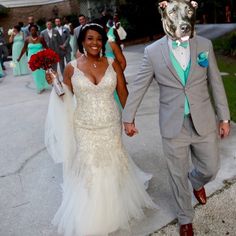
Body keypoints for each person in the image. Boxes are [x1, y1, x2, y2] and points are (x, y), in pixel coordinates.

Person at [122, 1, 230, 236]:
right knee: (176, 174)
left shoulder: (204, 45)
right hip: (173, 125)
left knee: (211, 167)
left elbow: (215, 82)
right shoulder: (152, 52)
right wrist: (128, 117)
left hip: (203, 120)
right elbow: (139, 85)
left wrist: (224, 117)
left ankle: (198, 180)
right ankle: (185, 218)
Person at [45, 23, 157, 236]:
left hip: (110, 124)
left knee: (112, 163)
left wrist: (129, 120)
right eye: (90, 38)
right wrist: (55, 83)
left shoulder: (113, 64)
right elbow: (65, 98)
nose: (95, 42)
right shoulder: (71, 67)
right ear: (82, 42)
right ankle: (92, 215)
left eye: (98, 38)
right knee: (90, 167)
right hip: (84, 126)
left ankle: (114, 206)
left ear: (103, 42)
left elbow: (124, 93)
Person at [17, 25, 49, 94]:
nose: (33, 31)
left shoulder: (41, 38)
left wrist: (50, 56)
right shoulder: (27, 39)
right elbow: (24, 49)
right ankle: (39, 87)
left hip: (41, 58)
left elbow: (46, 48)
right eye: (31, 30)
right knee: (35, 73)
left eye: (34, 30)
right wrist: (19, 57)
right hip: (31, 59)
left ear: (37, 30)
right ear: (29, 31)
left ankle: (43, 85)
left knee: (42, 72)